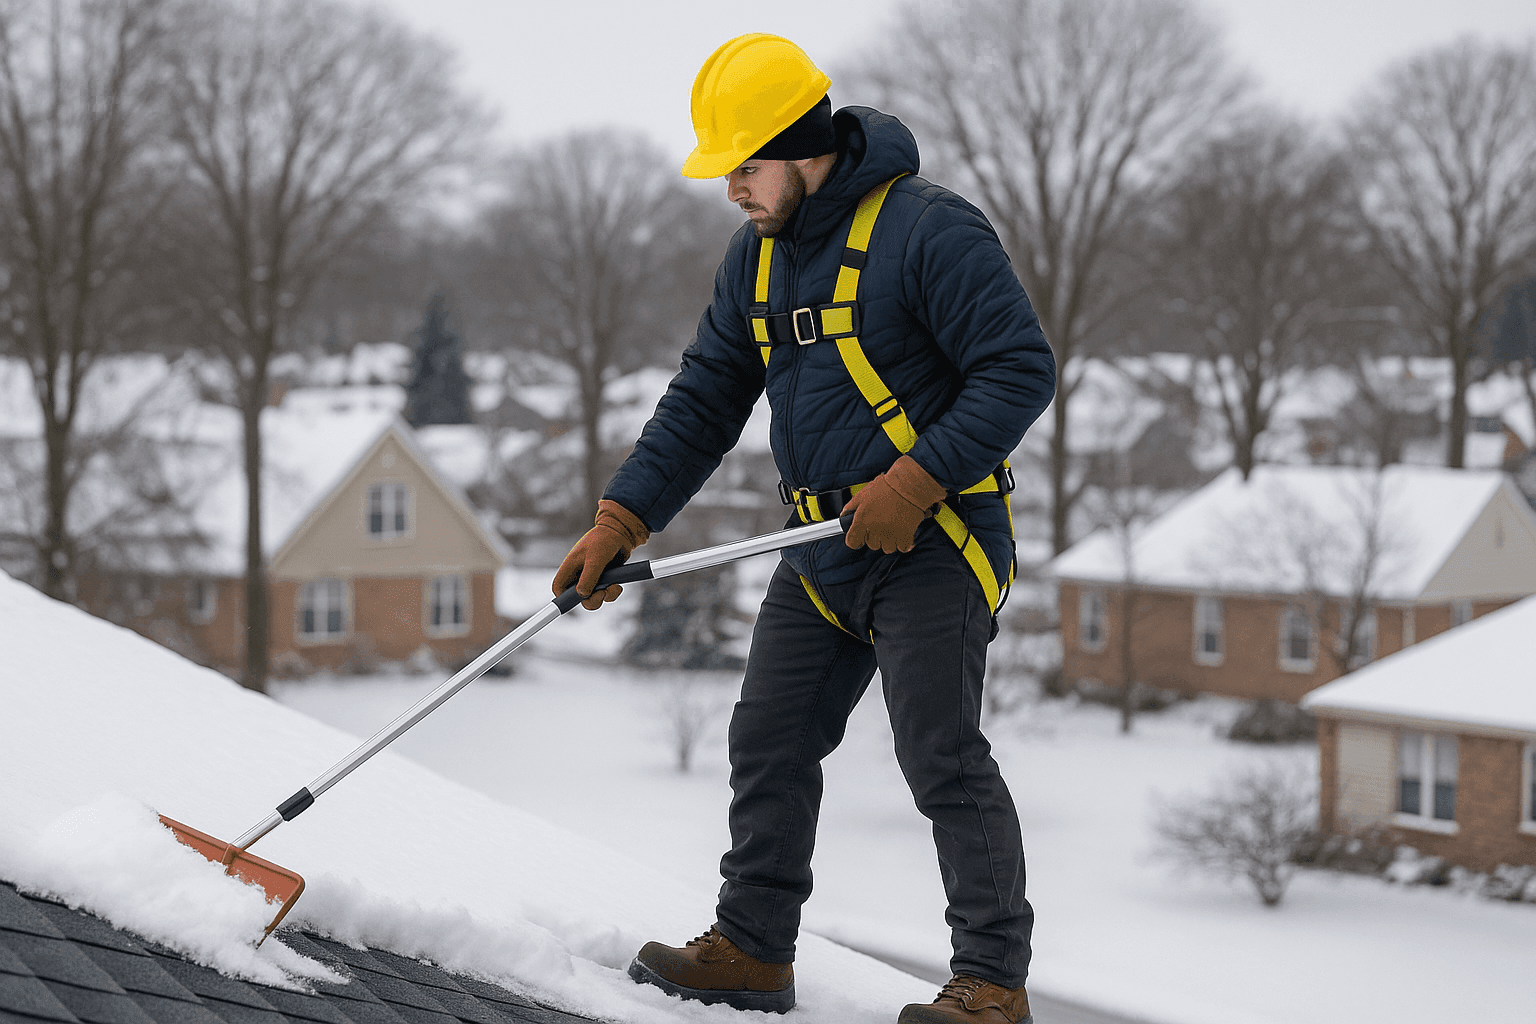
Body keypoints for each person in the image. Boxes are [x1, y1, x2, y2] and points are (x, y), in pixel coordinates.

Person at [552, 33, 1055, 1024]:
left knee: (940, 753)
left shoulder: (932, 232)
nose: (732, 189)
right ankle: (750, 948)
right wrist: (623, 517)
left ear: (802, 147)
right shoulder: (757, 259)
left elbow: (1018, 369)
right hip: (818, 549)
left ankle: (993, 984)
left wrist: (914, 481)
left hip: (936, 540)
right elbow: (705, 397)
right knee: (768, 738)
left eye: (743, 165)